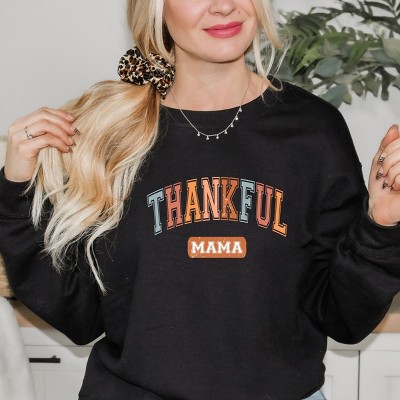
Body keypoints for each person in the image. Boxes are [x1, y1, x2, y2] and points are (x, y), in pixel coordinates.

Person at [0, 0, 399, 399]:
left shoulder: (314, 131)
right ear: (156, 9)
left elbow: (342, 316)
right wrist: (16, 190)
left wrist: (380, 223)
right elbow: (79, 313)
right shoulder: (110, 132)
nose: (224, 6)